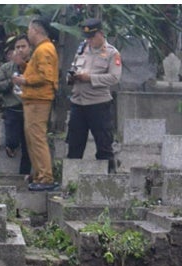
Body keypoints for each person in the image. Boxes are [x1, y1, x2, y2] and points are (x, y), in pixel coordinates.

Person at [67, 18, 122, 173]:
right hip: (78, 103)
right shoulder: (81, 50)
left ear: (101, 34)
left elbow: (114, 78)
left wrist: (90, 78)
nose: (89, 40)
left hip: (99, 104)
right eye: (87, 37)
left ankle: (107, 179)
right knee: (74, 145)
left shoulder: (112, 53)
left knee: (104, 146)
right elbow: (71, 69)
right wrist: (71, 78)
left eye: (92, 37)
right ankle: (71, 181)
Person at [13, 17, 59, 191]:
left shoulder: (45, 49)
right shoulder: (40, 49)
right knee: (33, 139)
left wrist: (24, 81)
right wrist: (24, 67)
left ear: (37, 31)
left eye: (29, 30)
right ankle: (40, 175)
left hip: (39, 100)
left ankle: (46, 177)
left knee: (37, 138)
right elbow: (37, 72)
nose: (28, 33)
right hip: (33, 99)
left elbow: (45, 77)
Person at [0, 35, 31, 174]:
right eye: (17, 47)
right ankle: (11, 146)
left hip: (30, 109)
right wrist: (11, 82)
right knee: (12, 140)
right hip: (12, 108)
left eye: (23, 46)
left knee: (28, 145)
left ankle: (25, 174)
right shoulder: (7, 68)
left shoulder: (34, 66)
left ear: (30, 48)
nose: (20, 50)